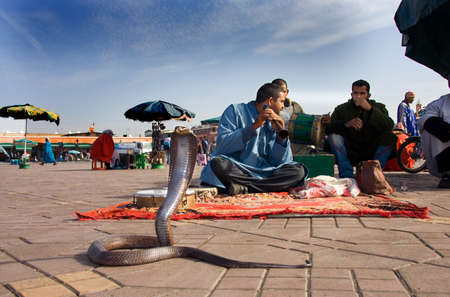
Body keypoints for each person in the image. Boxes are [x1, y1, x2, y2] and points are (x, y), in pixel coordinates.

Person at [200, 82, 307, 195]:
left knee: (299, 171)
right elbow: (223, 146)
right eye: (281, 101)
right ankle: (262, 187)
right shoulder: (235, 111)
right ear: (270, 101)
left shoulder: (276, 122)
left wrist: (280, 137)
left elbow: (281, 162)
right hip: (238, 170)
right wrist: (253, 126)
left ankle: (245, 188)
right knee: (218, 163)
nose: (283, 106)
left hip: (264, 172)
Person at [326, 79, 396, 178]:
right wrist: (346, 124)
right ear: (351, 94)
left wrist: (370, 110)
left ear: (368, 95)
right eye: (355, 93)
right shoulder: (341, 109)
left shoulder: (379, 108)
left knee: (390, 137)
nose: (358, 96)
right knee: (334, 138)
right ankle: (347, 177)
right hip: (350, 149)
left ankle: (373, 175)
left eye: (362, 93)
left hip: (371, 149)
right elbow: (329, 128)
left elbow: (388, 125)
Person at [417, 78, 450, 188]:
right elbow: (425, 119)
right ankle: (447, 172)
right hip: (446, 145)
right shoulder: (440, 103)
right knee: (429, 126)